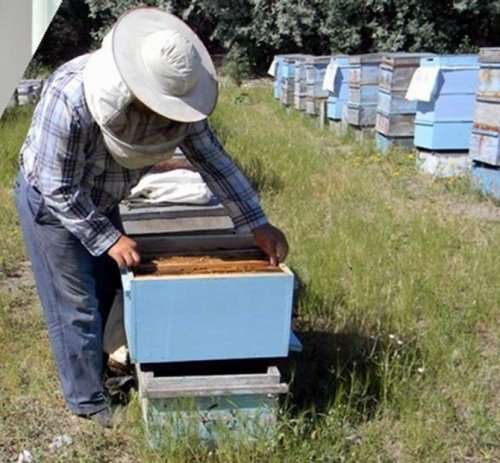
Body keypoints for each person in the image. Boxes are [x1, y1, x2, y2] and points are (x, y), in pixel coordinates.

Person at [14, 7, 288, 427]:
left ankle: (109, 366)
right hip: (51, 204)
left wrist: (256, 221)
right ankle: (86, 401)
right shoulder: (70, 98)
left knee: (111, 287)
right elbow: (57, 186)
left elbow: (213, 161)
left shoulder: (177, 103)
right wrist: (107, 238)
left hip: (104, 198)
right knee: (77, 303)